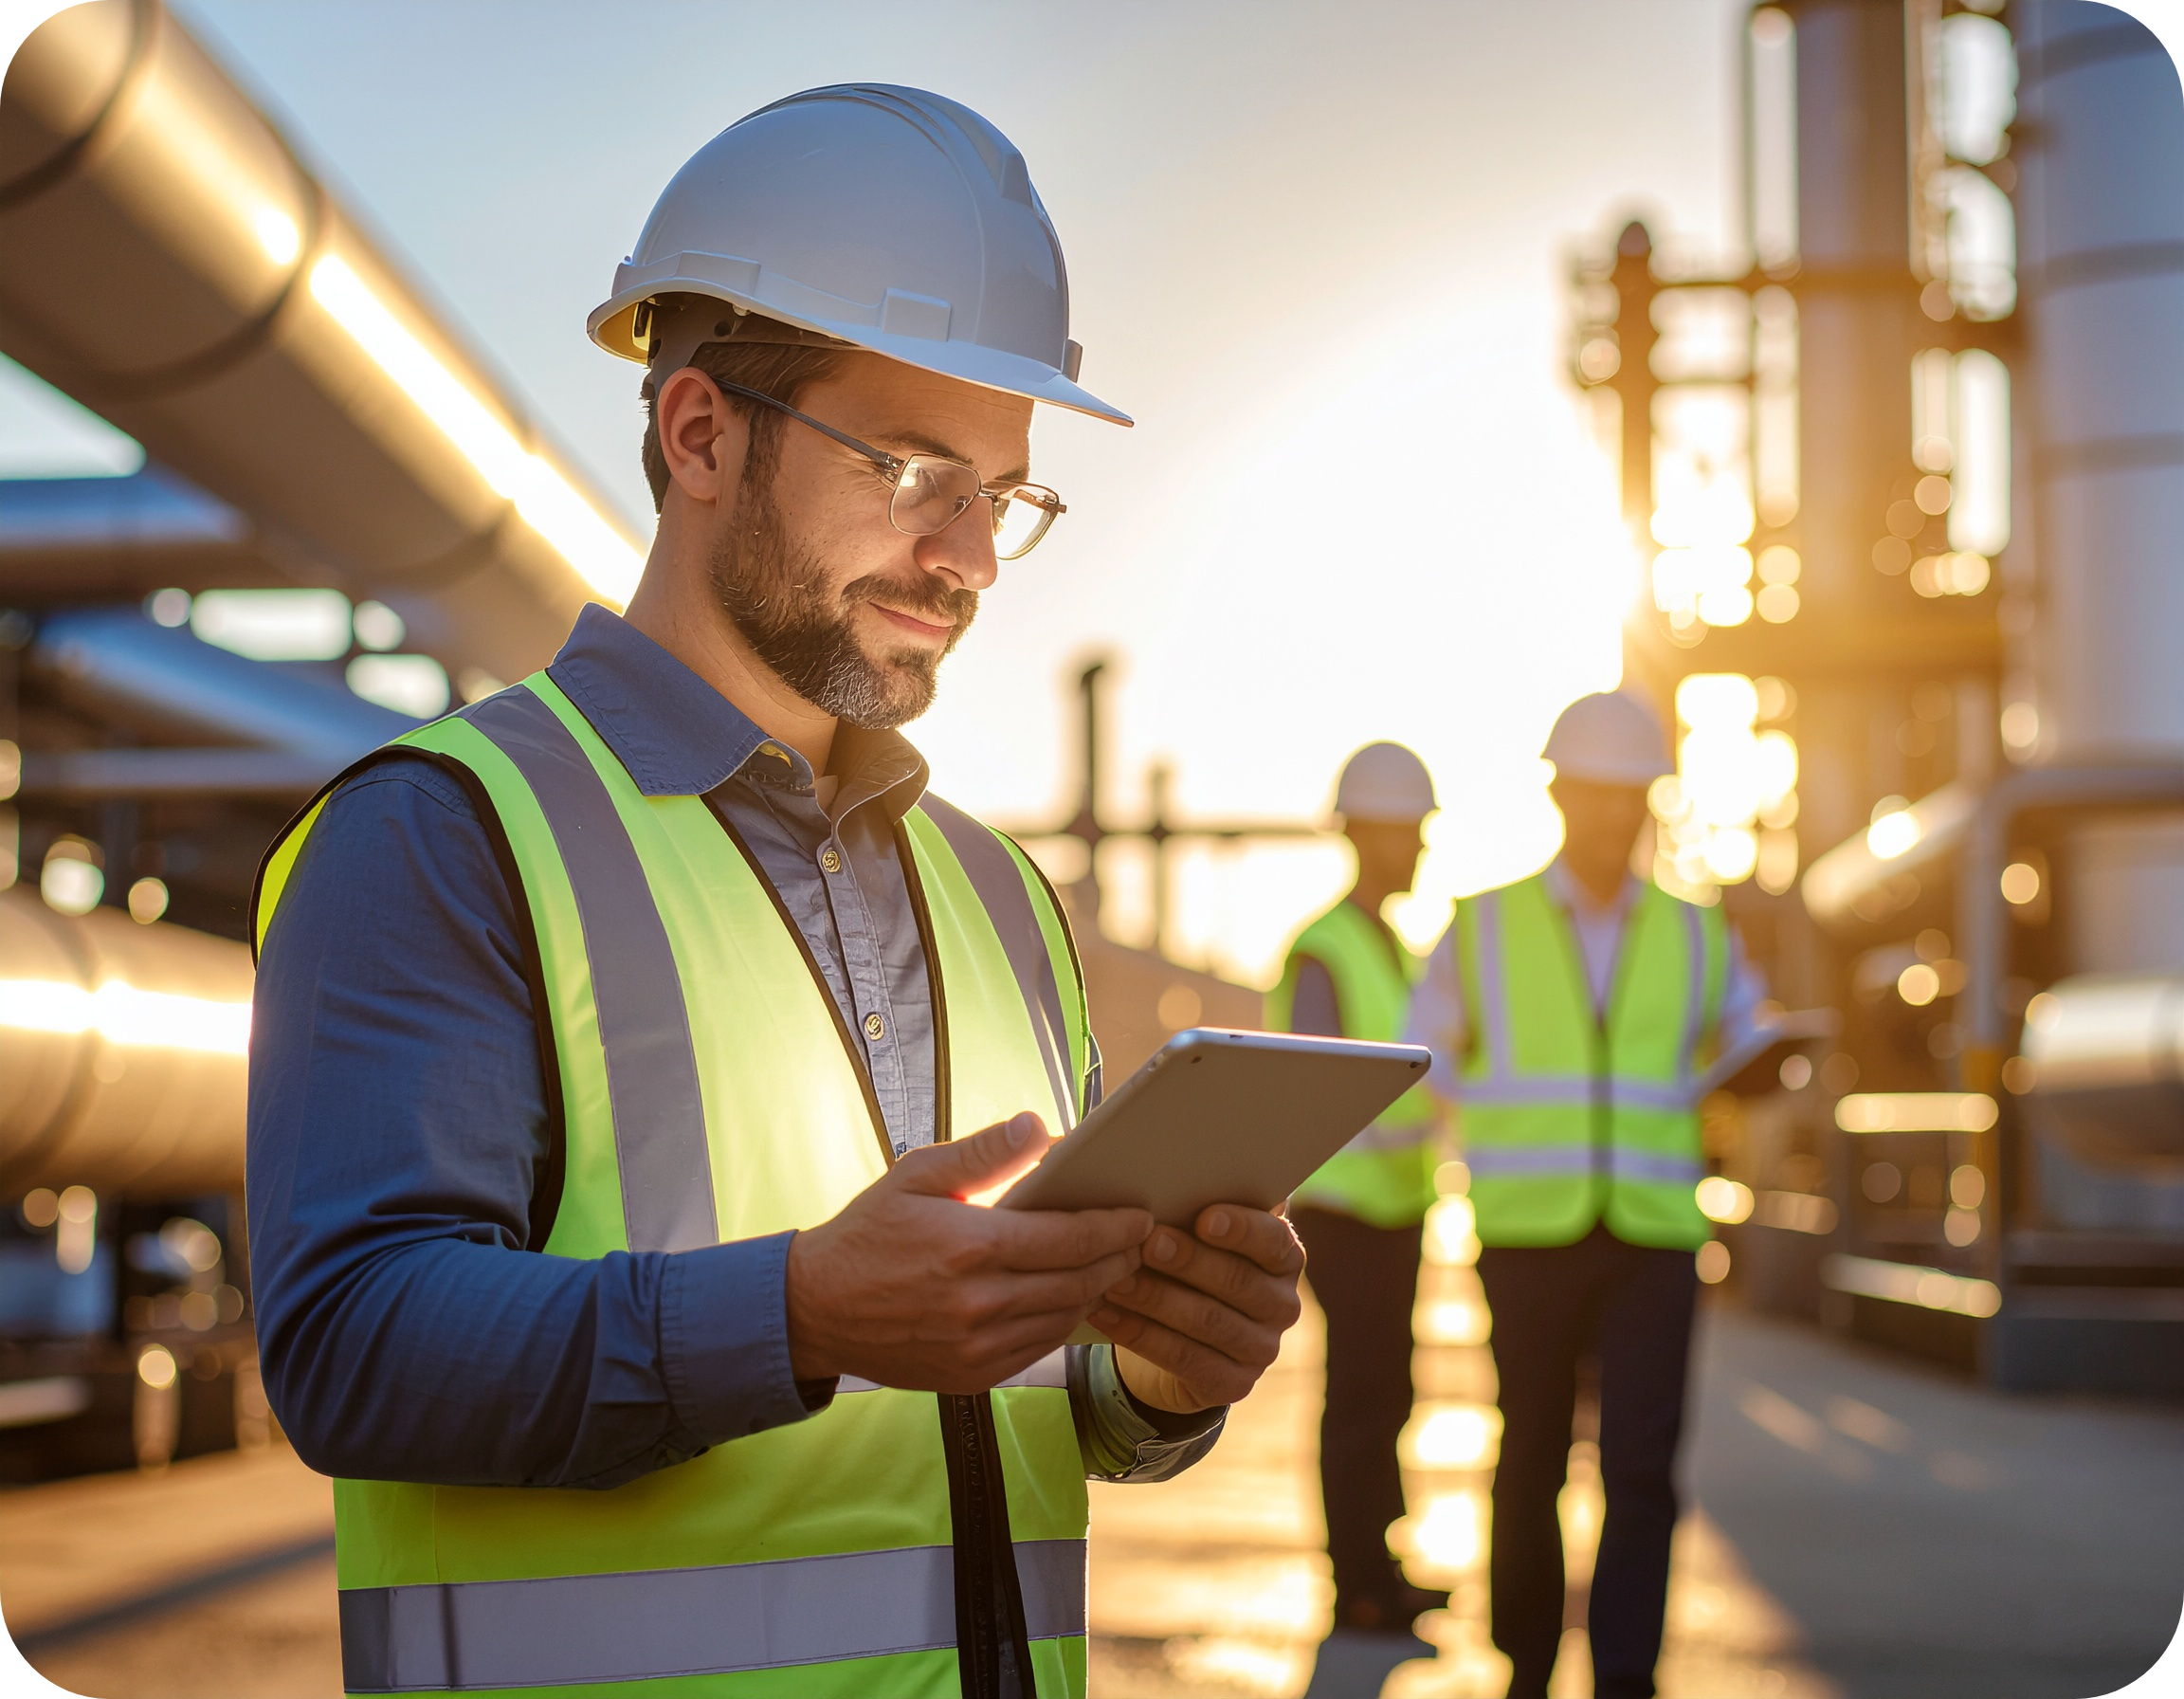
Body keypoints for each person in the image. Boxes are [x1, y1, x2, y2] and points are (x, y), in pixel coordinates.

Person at [246, 86, 1304, 1699]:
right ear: (697, 435)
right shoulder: (443, 837)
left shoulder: (999, 896)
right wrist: (797, 1311)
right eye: (910, 469)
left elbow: (1050, 1409)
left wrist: (1161, 1367)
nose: (969, 558)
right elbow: (355, 1347)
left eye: (1002, 493)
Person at [1404, 692, 1774, 1699]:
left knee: (1643, 1468)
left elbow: (1749, 1034)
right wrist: (1480, 1109)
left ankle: (1624, 1675)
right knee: (1528, 1456)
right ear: (1561, 795)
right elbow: (1423, 1046)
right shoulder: (1484, 925)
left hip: (1655, 1233)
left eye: (1633, 797)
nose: (1617, 816)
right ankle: (1524, 1666)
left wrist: (1770, 1062)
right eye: (1600, 795)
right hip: (1529, 1231)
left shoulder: (1697, 935)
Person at [1268, 742, 1447, 1639]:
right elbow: (1321, 1096)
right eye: (1406, 832)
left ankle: (1383, 1564)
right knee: (1363, 1398)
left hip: (1397, 1209)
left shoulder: (1394, 950)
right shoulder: (1327, 951)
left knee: (1388, 1391)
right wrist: (1441, 1111)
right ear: (1364, 836)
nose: (1418, 847)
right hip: (1343, 1213)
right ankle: (1358, 1587)